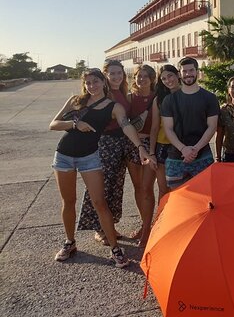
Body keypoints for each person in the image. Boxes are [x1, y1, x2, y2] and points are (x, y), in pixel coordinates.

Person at [49, 68, 150, 267]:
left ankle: (115, 249)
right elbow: (54, 124)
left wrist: (140, 147)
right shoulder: (75, 101)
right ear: (84, 84)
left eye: (95, 81)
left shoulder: (113, 106)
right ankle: (70, 243)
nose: (92, 86)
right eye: (88, 82)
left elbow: (126, 125)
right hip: (64, 156)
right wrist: (75, 124)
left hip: (90, 157)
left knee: (100, 202)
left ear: (103, 82)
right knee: (68, 201)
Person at [77, 59, 131, 245]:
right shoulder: (103, 94)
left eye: (119, 73)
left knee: (116, 186)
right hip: (104, 143)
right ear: (105, 76)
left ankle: (110, 226)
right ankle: (100, 229)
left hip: (120, 143)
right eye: (112, 73)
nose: (116, 76)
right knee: (102, 186)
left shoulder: (123, 92)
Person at [161, 57, 220, 189]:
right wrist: (183, 149)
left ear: (197, 71)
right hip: (176, 158)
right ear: (179, 74)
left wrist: (195, 149)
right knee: (177, 201)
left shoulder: (209, 98)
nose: (188, 74)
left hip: (203, 157)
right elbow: (168, 129)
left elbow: (212, 126)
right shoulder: (169, 100)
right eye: (185, 71)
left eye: (191, 70)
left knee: (206, 199)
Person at [139, 64, 181, 248]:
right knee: (164, 190)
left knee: (181, 191)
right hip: (164, 147)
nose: (168, 80)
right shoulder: (160, 99)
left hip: (185, 148)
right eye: (164, 78)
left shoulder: (188, 93)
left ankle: (177, 225)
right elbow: (155, 127)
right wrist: (153, 153)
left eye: (170, 76)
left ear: (177, 75)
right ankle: (158, 228)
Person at [126, 64, 156, 241]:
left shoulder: (156, 98)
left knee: (146, 187)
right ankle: (144, 223)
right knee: (137, 188)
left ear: (152, 79)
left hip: (149, 145)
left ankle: (146, 229)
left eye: (146, 76)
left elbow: (156, 126)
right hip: (132, 144)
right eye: (139, 76)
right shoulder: (130, 98)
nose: (142, 79)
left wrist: (151, 150)